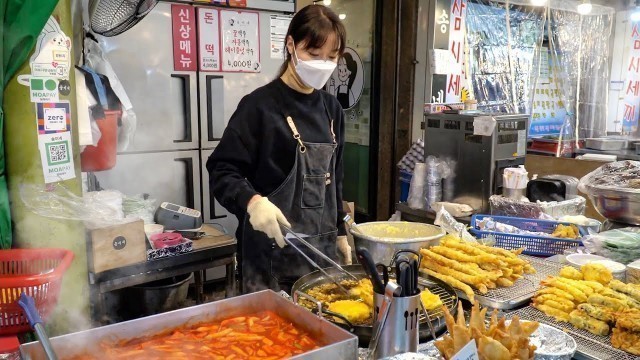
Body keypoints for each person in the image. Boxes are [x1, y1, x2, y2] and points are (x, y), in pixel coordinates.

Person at [206, 5, 351, 294]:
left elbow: (334, 179)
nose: (322, 64)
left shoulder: (332, 109)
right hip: (270, 256)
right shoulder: (258, 107)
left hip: (320, 254)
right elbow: (221, 170)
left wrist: (341, 232)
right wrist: (252, 201)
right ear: (290, 45)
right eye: (313, 54)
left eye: (331, 57)